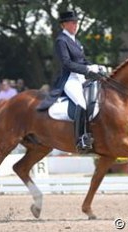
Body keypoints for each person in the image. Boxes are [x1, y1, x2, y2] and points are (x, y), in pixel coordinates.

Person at [37, 10, 103, 152]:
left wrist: (95, 66)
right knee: (82, 103)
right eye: (72, 23)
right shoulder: (61, 40)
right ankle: (81, 139)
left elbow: (82, 60)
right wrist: (87, 70)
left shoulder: (76, 41)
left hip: (81, 78)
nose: (75, 25)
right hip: (70, 79)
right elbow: (67, 63)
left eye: (76, 23)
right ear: (64, 25)